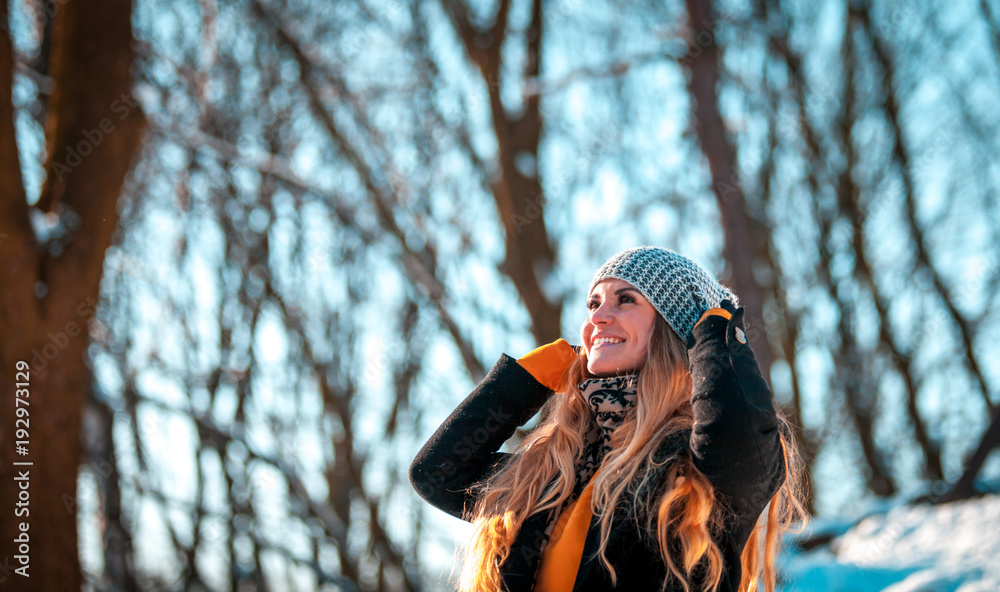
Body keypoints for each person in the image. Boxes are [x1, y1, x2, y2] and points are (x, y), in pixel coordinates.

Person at [409, 246, 807, 592]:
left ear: (677, 327)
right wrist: (528, 377)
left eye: (626, 300)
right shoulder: (560, 467)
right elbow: (439, 474)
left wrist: (716, 330)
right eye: (594, 304)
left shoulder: (695, 466)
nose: (598, 318)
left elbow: (740, 442)